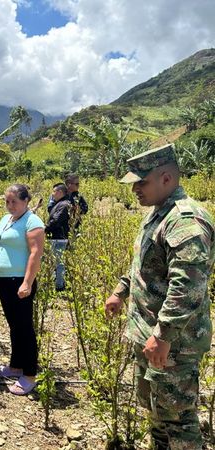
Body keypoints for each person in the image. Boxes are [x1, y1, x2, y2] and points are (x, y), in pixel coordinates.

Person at [104, 144, 215, 450]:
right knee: (157, 413)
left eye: (142, 182)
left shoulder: (185, 220)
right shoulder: (158, 214)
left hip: (174, 344)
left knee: (178, 422)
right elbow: (144, 264)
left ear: (166, 178)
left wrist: (164, 334)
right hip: (151, 337)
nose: (135, 190)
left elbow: (188, 285)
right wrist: (120, 291)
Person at [0, 184, 44, 395]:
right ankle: (15, 366)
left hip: (20, 281)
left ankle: (29, 374)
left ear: (26, 201)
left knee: (25, 327)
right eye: (7, 202)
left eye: (14, 202)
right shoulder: (6, 219)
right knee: (14, 325)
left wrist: (27, 282)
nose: (10, 206)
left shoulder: (32, 221)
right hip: (4, 280)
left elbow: (35, 253)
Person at [45, 183, 71, 291]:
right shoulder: (60, 203)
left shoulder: (64, 205)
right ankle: (56, 284)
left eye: (54, 191)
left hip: (59, 238)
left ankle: (60, 286)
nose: (52, 194)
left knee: (59, 264)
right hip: (55, 238)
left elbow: (56, 221)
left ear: (60, 192)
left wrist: (45, 228)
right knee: (55, 263)